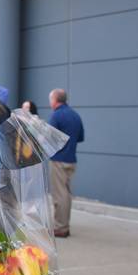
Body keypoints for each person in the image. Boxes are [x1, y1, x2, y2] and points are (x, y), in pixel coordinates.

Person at [47, 88, 84, 238]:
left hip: (59, 160)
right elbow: (80, 137)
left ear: (55, 100)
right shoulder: (75, 115)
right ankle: (64, 225)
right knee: (66, 194)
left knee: (59, 195)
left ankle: (60, 227)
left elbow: (49, 137)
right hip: (71, 160)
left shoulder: (57, 115)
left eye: (50, 99)